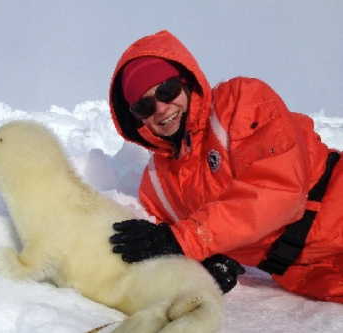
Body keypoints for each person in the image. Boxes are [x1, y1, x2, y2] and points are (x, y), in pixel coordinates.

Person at [108, 30, 343, 302]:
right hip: (311, 272)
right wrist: (210, 261)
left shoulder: (240, 102)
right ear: (135, 119)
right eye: (144, 106)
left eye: (167, 91)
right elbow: (171, 245)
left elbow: (280, 191)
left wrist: (186, 241)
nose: (161, 109)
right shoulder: (156, 187)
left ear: (186, 82)